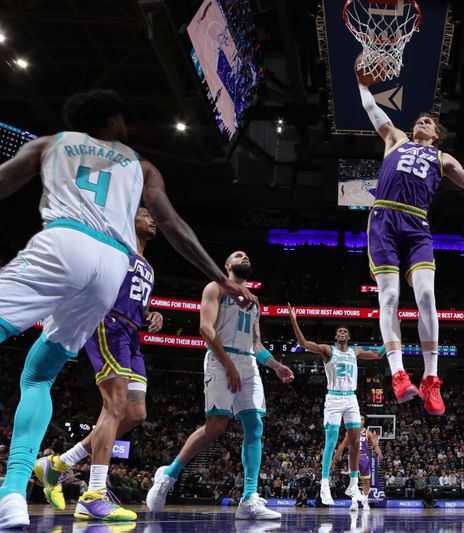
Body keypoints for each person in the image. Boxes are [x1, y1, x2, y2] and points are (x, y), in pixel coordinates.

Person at [0, 89, 256, 529]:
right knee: (42, 373)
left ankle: (37, 483)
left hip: (66, 241)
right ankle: (15, 494)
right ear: (113, 120)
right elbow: (175, 226)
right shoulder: (140, 164)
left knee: (53, 381)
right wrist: (220, 278)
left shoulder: (51, 143)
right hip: (109, 267)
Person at [357, 66, 464, 416]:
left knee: (425, 294)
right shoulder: (394, 138)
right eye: (419, 119)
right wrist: (360, 82)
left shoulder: (443, 159)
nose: (421, 121)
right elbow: (370, 107)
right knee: (389, 295)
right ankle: (398, 374)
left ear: (437, 135)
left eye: (427, 122)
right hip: (384, 219)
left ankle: (432, 379)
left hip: (417, 224)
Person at [34, 207, 161, 521]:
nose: (152, 218)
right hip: (109, 326)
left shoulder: (149, 267)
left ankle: (59, 463)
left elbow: (133, 300)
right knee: (115, 404)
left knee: (134, 413)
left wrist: (151, 314)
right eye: (144, 213)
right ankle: (93, 495)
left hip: (132, 335)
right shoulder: (115, 246)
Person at [146, 251, 294, 520]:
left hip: (248, 363)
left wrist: (275, 365)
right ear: (227, 265)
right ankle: (168, 475)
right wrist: (228, 365)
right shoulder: (215, 288)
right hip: (220, 358)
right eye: (238, 255)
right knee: (216, 426)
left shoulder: (255, 302)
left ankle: (249, 498)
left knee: (255, 426)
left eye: (248, 256)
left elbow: (256, 344)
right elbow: (205, 329)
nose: (245, 257)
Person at [287, 308, 382, 510]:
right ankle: (324, 485)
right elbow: (303, 344)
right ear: (335, 336)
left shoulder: (355, 351)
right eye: (339, 331)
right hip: (334, 398)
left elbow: (378, 353)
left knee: (355, 440)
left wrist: (393, 338)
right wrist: (294, 321)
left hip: (351, 398)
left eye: (345, 332)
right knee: (330, 442)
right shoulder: (327, 350)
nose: (342, 333)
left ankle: (353, 485)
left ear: (349, 336)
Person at [332, 414, 383, 510]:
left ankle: (365, 501)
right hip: (353, 457)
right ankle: (354, 502)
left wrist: (379, 454)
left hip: (364, 458)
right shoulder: (350, 432)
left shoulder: (368, 433)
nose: (360, 421)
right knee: (353, 481)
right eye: (358, 419)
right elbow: (342, 446)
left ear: (364, 422)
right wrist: (335, 459)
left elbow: (375, 445)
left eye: (362, 419)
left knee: (366, 482)